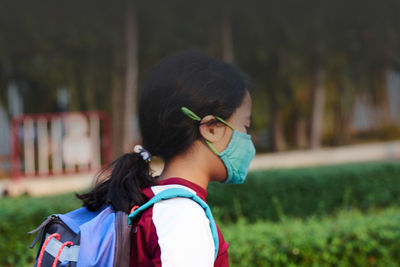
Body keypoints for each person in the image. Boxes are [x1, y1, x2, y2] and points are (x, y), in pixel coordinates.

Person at [77, 51, 255, 267]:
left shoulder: (148, 198)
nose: (247, 138)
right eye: (245, 126)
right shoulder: (182, 218)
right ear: (210, 128)